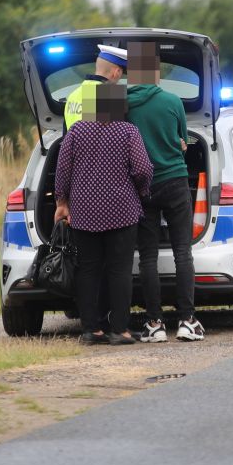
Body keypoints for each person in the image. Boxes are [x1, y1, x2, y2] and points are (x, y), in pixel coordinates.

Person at [54, 80, 153, 345]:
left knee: (88, 270)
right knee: (120, 271)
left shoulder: (75, 132)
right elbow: (143, 169)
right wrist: (142, 192)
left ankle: (91, 330)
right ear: (121, 106)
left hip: (84, 213)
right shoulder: (129, 132)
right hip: (122, 211)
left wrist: (62, 202)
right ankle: (119, 330)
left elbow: (62, 171)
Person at [126, 42, 206, 343]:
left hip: (140, 186)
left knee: (147, 257)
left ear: (131, 73)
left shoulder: (118, 102)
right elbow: (183, 141)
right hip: (174, 181)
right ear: (156, 72)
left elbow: (108, 138)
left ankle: (154, 324)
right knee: (182, 252)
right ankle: (187, 320)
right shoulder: (173, 101)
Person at [64, 43, 128, 130]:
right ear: (116, 72)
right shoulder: (109, 94)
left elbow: (66, 136)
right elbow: (117, 136)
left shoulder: (73, 95)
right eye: (121, 73)